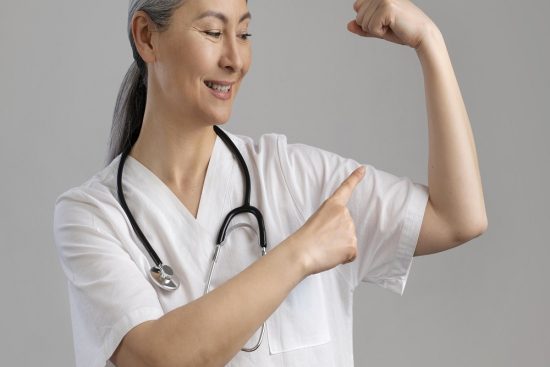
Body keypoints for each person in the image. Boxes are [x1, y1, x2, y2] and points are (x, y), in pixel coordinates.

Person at [52, 0, 488, 366]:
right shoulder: (94, 216)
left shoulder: (295, 178)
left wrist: (429, 42)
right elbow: (155, 360)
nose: (235, 60)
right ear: (147, 36)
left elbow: (457, 218)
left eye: (243, 34)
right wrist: (300, 254)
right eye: (211, 32)